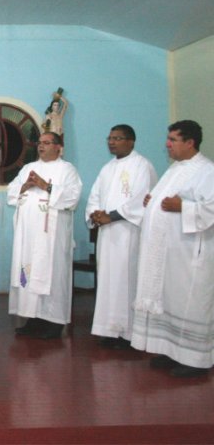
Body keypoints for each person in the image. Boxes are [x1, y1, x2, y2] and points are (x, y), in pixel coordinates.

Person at [131, 120, 214, 378]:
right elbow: (165, 199)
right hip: (167, 253)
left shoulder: (207, 170)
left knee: (188, 302)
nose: (167, 144)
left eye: (173, 140)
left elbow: (209, 208)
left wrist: (183, 208)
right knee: (168, 300)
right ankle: (169, 350)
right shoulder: (174, 169)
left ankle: (195, 361)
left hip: (190, 255)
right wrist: (152, 201)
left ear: (190, 142)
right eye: (168, 139)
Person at [85, 125, 156, 349]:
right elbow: (95, 195)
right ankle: (110, 329)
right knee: (109, 281)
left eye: (117, 138)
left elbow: (142, 199)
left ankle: (129, 334)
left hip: (129, 232)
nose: (112, 142)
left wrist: (112, 216)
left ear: (131, 141)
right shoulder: (107, 168)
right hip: (107, 236)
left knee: (127, 280)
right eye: (110, 138)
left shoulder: (142, 166)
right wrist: (95, 214)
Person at [8, 132, 82, 339]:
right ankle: (32, 318)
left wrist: (46, 186)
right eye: (39, 143)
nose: (41, 146)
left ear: (59, 147)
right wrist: (25, 185)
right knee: (28, 272)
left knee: (52, 272)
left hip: (52, 235)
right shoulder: (27, 168)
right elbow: (13, 192)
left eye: (47, 143)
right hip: (28, 233)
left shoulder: (67, 170)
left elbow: (72, 197)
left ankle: (54, 321)